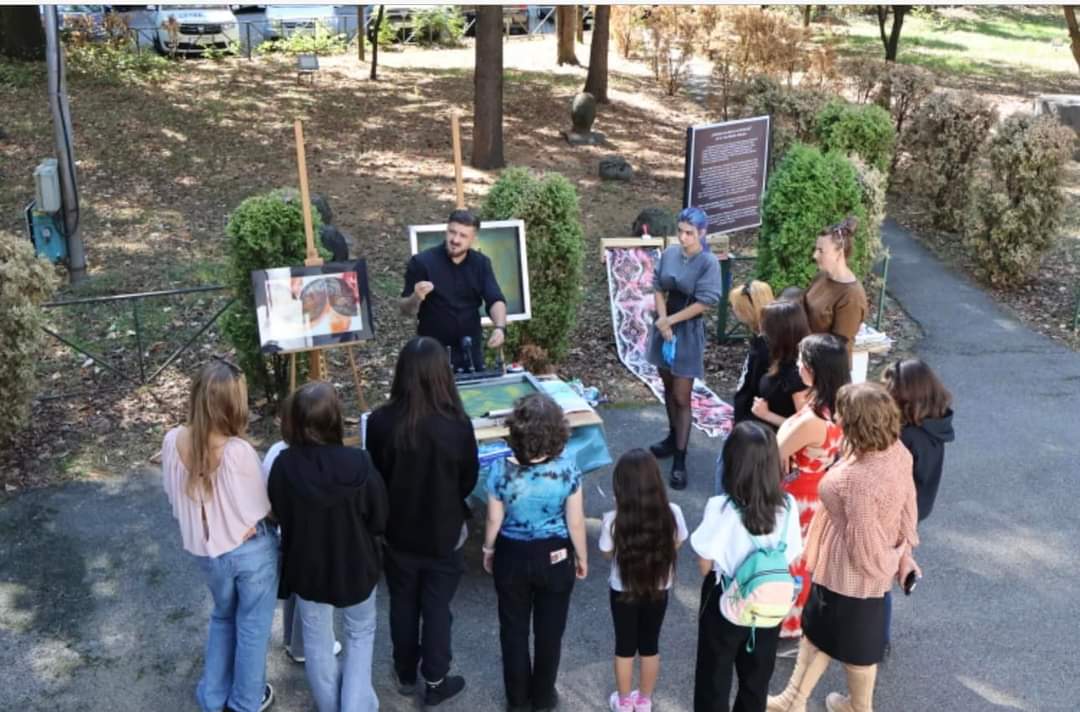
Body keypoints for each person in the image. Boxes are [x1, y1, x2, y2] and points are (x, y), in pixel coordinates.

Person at [767, 382, 920, 712]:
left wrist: (895, 558)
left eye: (841, 414)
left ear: (855, 423)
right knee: (835, 640)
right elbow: (909, 503)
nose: (835, 417)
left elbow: (865, 551)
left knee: (837, 643)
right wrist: (905, 552)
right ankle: (820, 703)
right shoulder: (897, 451)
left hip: (846, 574)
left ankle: (831, 706)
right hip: (868, 573)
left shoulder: (855, 479)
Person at [366, 336, 479, 706]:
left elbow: (375, 475)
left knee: (402, 603)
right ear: (441, 375)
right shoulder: (457, 424)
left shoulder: (380, 422)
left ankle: (404, 671)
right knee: (436, 607)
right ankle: (435, 679)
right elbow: (469, 479)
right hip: (444, 533)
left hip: (397, 532)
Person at [161, 359, 278, 712]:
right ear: (232, 405)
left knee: (223, 616)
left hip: (206, 553)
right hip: (250, 550)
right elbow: (262, 507)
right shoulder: (237, 452)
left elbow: (173, 495)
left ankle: (212, 697)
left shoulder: (171, 441)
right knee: (253, 626)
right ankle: (245, 701)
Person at [268, 382, 388, 712]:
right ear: (335, 419)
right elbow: (379, 517)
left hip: (308, 569)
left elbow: (278, 513)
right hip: (357, 565)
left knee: (317, 641)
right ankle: (355, 705)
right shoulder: (359, 462)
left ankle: (331, 705)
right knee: (360, 633)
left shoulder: (284, 465)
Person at [482, 393, 588, 712]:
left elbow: (493, 519)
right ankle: (543, 697)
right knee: (550, 632)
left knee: (513, 630)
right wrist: (581, 556)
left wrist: (488, 549)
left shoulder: (499, 470)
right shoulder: (568, 470)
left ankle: (517, 699)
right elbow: (576, 521)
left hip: (512, 555)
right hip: (555, 555)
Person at [691, 422, 803, 712]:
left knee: (713, 678)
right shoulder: (788, 505)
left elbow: (704, 563)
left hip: (724, 599)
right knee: (756, 680)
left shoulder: (721, 508)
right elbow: (791, 554)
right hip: (768, 603)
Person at [598, 449, 689, 712]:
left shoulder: (613, 520)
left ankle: (624, 701)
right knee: (650, 645)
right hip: (659, 587)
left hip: (622, 590)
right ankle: (644, 700)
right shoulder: (673, 512)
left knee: (624, 647)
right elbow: (678, 541)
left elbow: (606, 552)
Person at [776, 334, 849, 640]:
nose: (797, 365)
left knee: (791, 559)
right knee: (805, 558)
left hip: (797, 494)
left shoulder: (814, 420)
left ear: (812, 369)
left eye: (801, 361)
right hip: (816, 488)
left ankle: (786, 624)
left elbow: (776, 450)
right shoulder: (841, 407)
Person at [261, 395, 344, 666]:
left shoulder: (276, 452)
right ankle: (306, 645)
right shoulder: (322, 459)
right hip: (315, 539)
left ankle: (292, 640)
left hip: (286, 534)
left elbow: (268, 499)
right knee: (315, 600)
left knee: (295, 593)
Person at [646, 206, 724, 489]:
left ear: (702, 233)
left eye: (689, 233)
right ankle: (672, 437)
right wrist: (662, 320)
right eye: (680, 231)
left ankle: (680, 458)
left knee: (682, 395)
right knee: (667, 386)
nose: (683, 237)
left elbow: (706, 301)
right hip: (664, 325)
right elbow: (657, 286)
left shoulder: (708, 262)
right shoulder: (670, 254)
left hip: (687, 329)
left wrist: (670, 321)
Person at [399, 208, 508, 372]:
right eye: (452, 232)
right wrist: (416, 297)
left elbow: (495, 300)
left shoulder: (481, 263)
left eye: (463, 235)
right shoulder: (422, 262)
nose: (455, 240)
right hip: (432, 354)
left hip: (471, 351)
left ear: (473, 239)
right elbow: (405, 309)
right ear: (446, 230)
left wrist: (500, 328)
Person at [882, 359, 955, 522]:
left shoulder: (908, 435)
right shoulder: (935, 421)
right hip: (921, 503)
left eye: (888, 386)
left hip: (900, 510)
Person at [802, 217, 867, 363]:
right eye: (815, 249)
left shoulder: (851, 296)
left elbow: (837, 347)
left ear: (839, 252)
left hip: (827, 368)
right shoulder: (821, 277)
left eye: (821, 251)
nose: (814, 255)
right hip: (808, 359)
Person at [749, 300, 812, 429]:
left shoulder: (798, 373)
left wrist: (766, 414)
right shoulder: (782, 357)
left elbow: (805, 426)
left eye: (765, 328)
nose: (761, 333)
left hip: (783, 438)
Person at [729, 280, 776, 425]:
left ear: (749, 310)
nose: (734, 310)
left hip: (751, 415)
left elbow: (757, 386)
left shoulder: (764, 348)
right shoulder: (763, 338)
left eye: (738, 307)